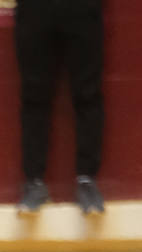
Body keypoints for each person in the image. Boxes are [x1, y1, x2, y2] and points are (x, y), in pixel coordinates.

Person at [14, 0, 106, 215]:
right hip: (35, 9)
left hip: (81, 9)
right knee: (34, 96)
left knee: (87, 94)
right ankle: (34, 182)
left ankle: (87, 180)